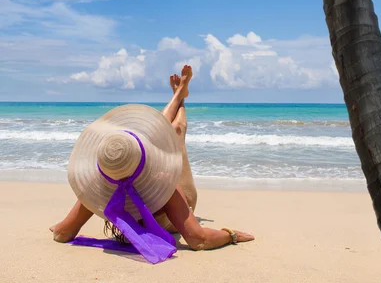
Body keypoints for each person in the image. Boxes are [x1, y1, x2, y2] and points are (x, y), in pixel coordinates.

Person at [50, 65, 254, 261]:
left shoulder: (101, 187)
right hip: (183, 198)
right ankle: (180, 96)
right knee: (176, 132)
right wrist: (230, 235)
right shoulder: (157, 183)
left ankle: (179, 94)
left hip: (168, 196)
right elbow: (198, 239)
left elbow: (61, 234)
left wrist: (62, 225)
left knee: (163, 131)